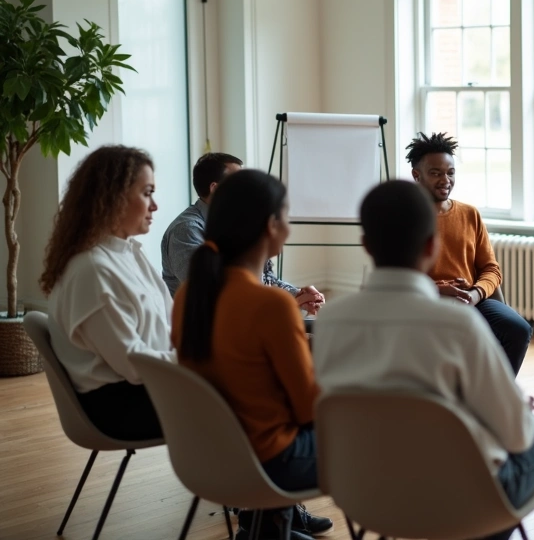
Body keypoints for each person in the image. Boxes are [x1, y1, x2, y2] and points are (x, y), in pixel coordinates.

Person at [313, 180, 534, 540]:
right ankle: (489, 526)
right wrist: (511, 406)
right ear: (433, 246)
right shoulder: (458, 325)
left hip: (366, 496)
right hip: (457, 498)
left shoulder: (329, 321)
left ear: (366, 245)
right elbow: (517, 437)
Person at [171, 169, 332, 540]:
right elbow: (308, 411)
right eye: (287, 215)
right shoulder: (270, 304)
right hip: (268, 461)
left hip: (207, 455)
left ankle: (265, 528)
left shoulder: (189, 295)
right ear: (271, 226)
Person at [41, 146, 174, 441]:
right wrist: (202, 363)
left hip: (154, 386)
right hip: (122, 405)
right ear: (113, 198)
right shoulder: (92, 270)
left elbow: (173, 321)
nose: (155, 206)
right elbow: (134, 365)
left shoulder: (130, 254)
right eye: (147, 193)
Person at [405, 132, 531, 375]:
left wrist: (475, 293)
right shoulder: (406, 217)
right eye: (436, 173)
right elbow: (401, 278)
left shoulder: (469, 214)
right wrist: (440, 289)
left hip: (471, 300)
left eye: (450, 172)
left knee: (518, 329)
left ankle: (497, 397)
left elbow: (491, 269)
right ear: (416, 175)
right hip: (427, 302)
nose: (445, 179)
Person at [161, 152, 323, 313]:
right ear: (216, 189)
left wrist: (297, 295)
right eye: (238, 183)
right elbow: (213, 296)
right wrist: (284, 303)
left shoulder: (233, 223)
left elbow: (262, 278)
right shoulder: (186, 230)